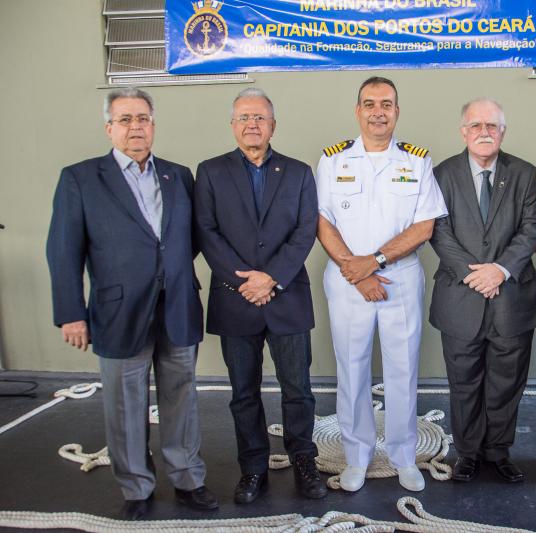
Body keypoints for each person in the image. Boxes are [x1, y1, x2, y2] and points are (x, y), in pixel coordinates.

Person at [46, 88, 218, 520]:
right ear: (109, 128)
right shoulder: (80, 178)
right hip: (118, 310)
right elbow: (63, 250)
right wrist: (71, 313)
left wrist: (168, 272)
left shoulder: (178, 175)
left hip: (177, 305)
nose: (135, 127)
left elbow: (189, 239)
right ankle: (137, 487)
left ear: (153, 125)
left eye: (142, 118)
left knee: (181, 396)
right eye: (125, 120)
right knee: (125, 403)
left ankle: (187, 479)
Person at [316, 77, 448, 492]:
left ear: (397, 111)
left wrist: (372, 263)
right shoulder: (333, 160)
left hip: (400, 280)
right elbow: (322, 221)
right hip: (347, 281)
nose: (378, 112)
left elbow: (424, 226)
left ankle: (403, 456)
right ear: (358, 111)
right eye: (370, 104)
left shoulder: (417, 161)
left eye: (387, 104)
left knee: (403, 370)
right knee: (351, 369)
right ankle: (356, 456)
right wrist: (356, 271)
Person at [194, 88, 326, 502]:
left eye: (260, 117)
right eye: (245, 117)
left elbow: (306, 230)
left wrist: (271, 278)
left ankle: (304, 462)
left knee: (298, 390)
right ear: (233, 125)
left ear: (273, 125)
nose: (252, 124)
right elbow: (207, 232)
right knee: (243, 393)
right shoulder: (210, 172)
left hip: (286, 296)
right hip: (235, 298)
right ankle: (252, 468)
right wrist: (245, 283)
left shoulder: (299, 172)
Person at [429, 98, 536, 483]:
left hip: (511, 298)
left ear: (502, 132)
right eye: (476, 125)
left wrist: (500, 270)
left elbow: (531, 228)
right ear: (463, 131)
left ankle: (498, 451)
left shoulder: (524, 173)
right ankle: (468, 454)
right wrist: (473, 274)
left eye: (492, 126)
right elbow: (438, 230)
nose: (484, 132)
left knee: (506, 383)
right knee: (464, 384)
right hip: (460, 298)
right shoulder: (442, 174)